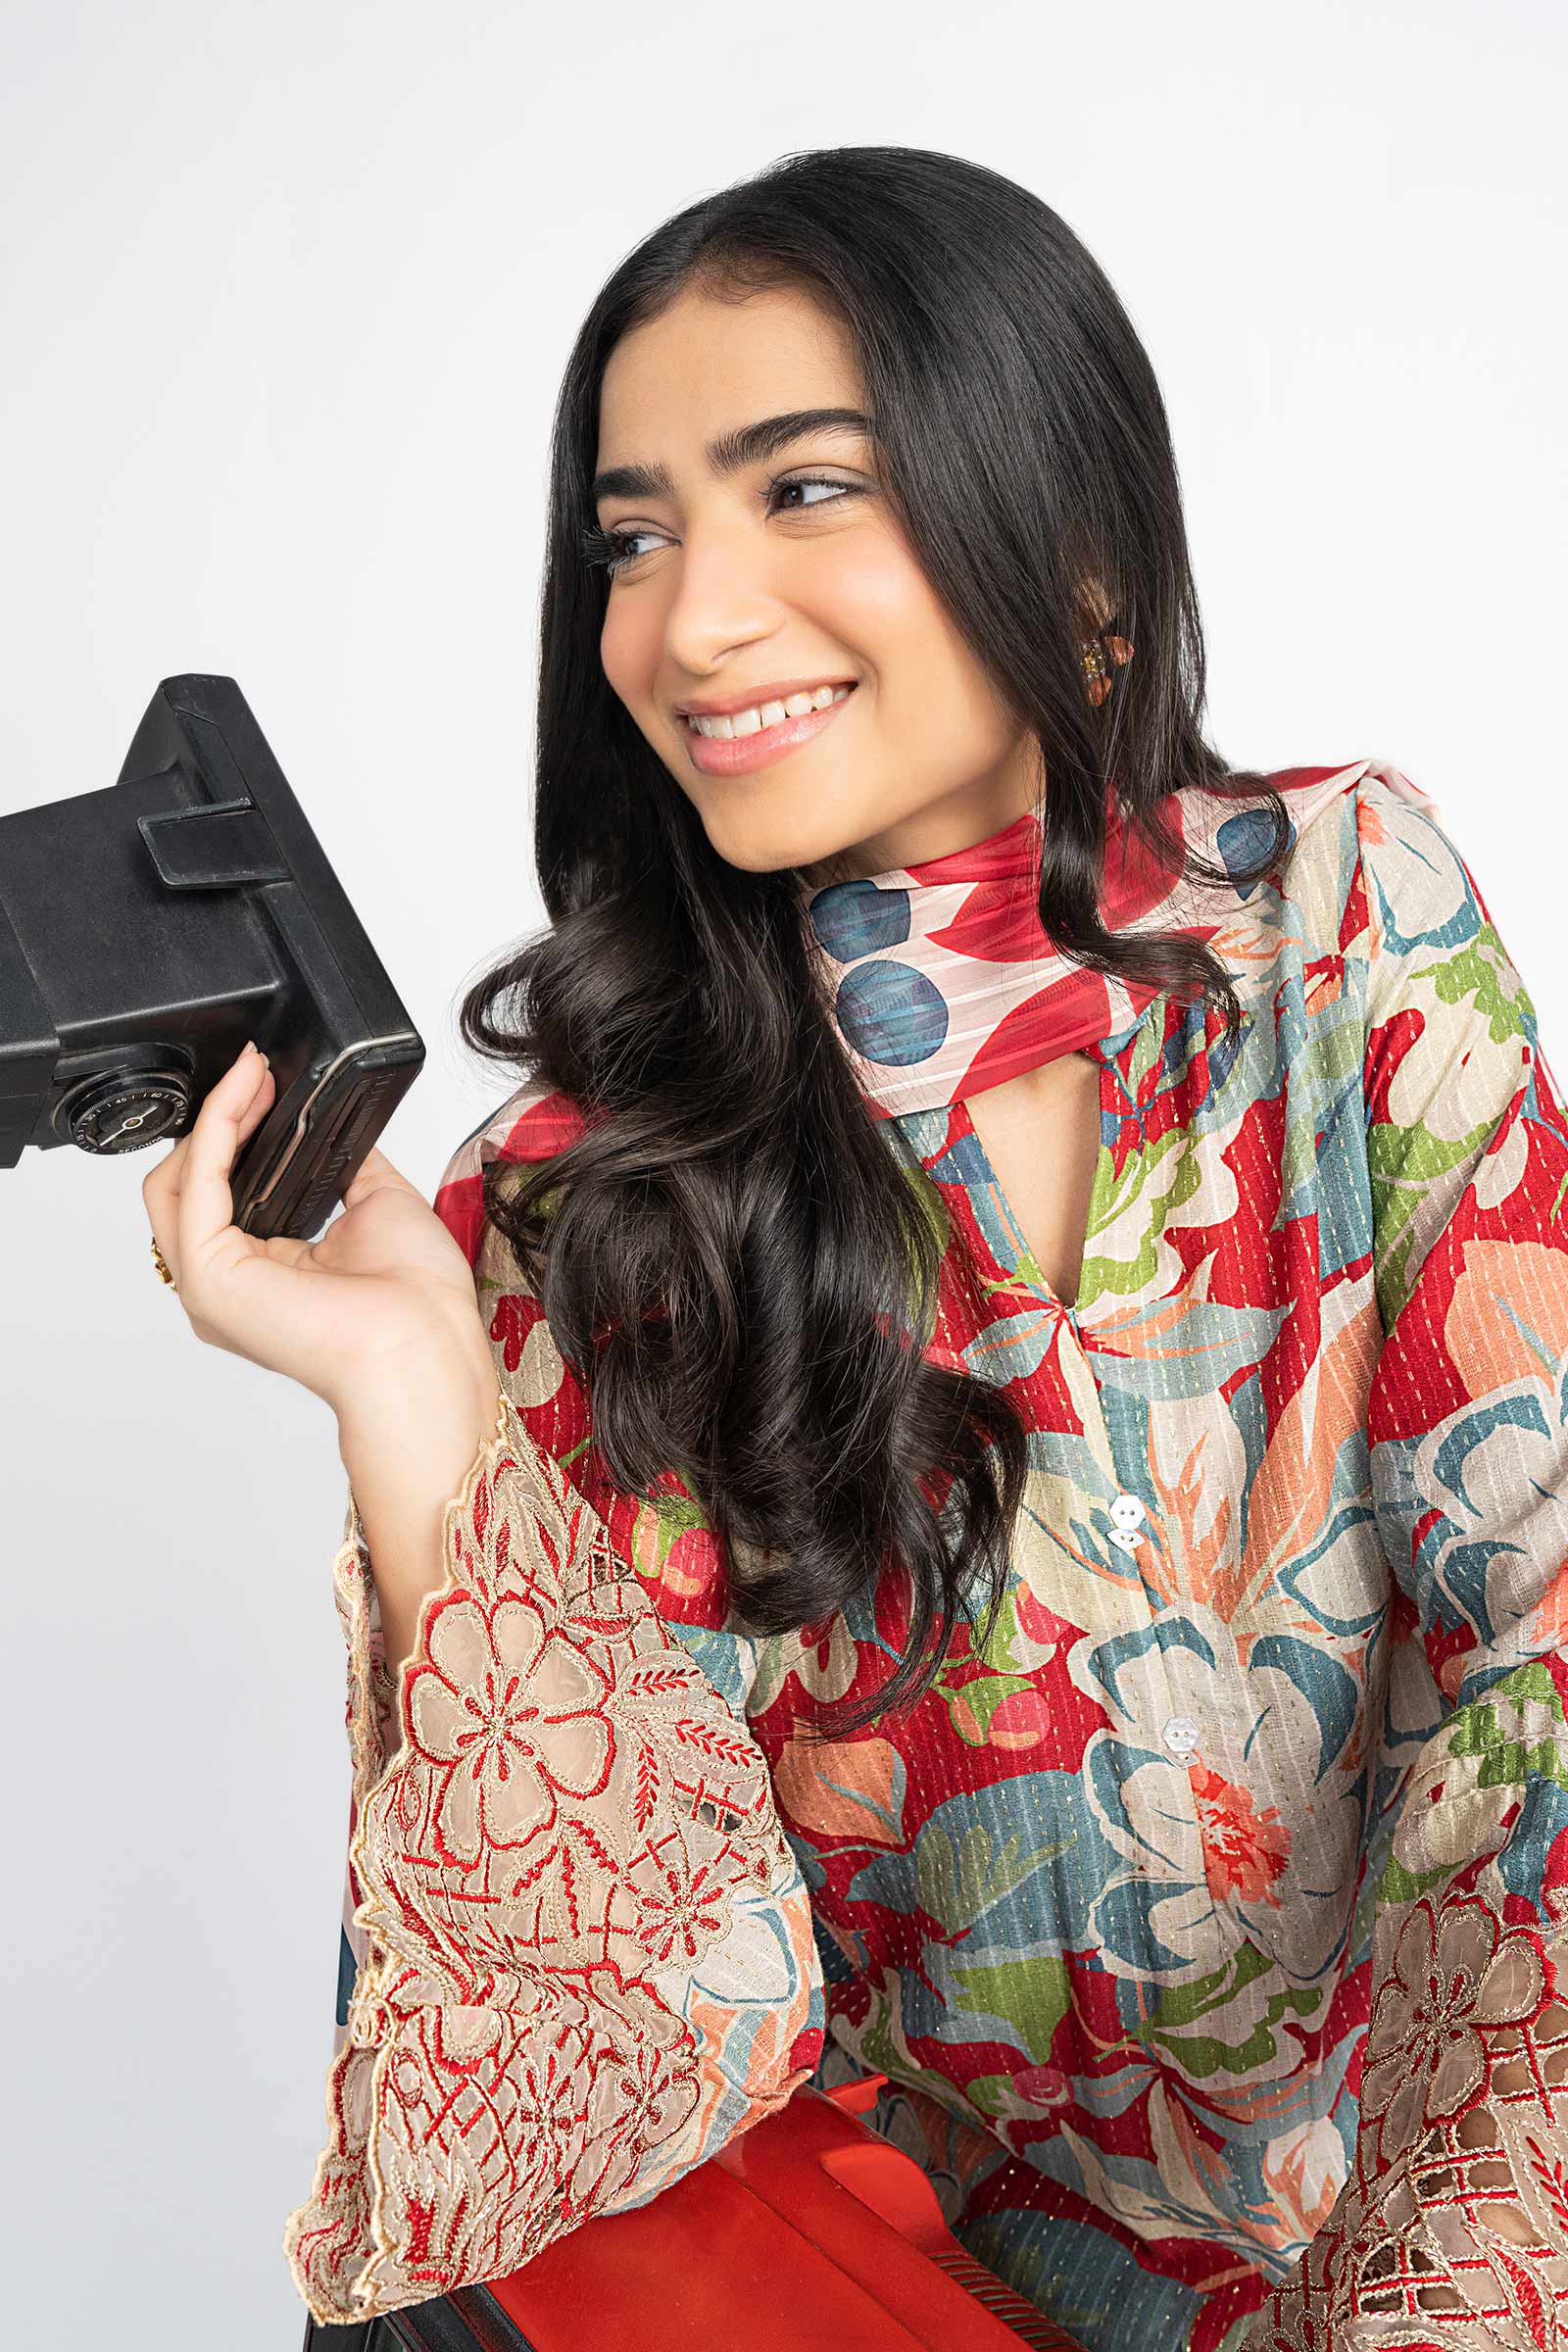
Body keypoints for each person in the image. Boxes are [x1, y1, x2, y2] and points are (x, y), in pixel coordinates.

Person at [144, 147, 1568, 2349]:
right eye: (631, 537)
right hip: (880, 2270)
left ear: (1080, 563)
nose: (687, 623)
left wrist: (1450, 2304)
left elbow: (1539, 1658)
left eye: (801, 489)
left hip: (1413, 2237)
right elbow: (638, 2046)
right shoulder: (579, 1202)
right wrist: (416, 1390)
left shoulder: (1341, 917)